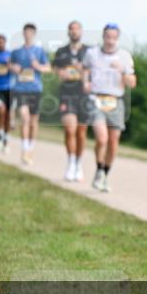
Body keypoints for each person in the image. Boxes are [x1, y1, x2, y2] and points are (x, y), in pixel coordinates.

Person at [83, 23, 136, 192]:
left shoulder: (124, 56)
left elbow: (132, 83)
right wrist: (85, 82)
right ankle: (99, 168)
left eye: (114, 37)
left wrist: (122, 71)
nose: (111, 41)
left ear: (117, 38)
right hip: (96, 99)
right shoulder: (92, 53)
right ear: (103, 37)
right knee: (102, 139)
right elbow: (83, 69)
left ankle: (105, 174)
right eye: (108, 37)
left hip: (115, 101)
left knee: (113, 142)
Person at [10, 23, 51, 165]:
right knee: (24, 117)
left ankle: (31, 149)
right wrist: (13, 67)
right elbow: (9, 65)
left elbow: (48, 68)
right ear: (23, 33)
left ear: (34, 34)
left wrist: (38, 66)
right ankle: (24, 149)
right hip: (20, 89)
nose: (28, 34)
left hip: (35, 89)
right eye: (26, 32)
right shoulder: (16, 52)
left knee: (33, 122)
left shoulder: (39, 51)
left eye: (30, 32)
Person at [53, 20, 90, 181]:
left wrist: (84, 72)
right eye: (71, 29)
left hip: (84, 95)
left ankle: (79, 164)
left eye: (77, 29)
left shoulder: (89, 51)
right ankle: (71, 163)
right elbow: (54, 67)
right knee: (69, 130)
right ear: (68, 32)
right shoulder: (61, 51)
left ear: (81, 31)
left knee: (81, 133)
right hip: (67, 94)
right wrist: (60, 73)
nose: (74, 32)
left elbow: (95, 70)